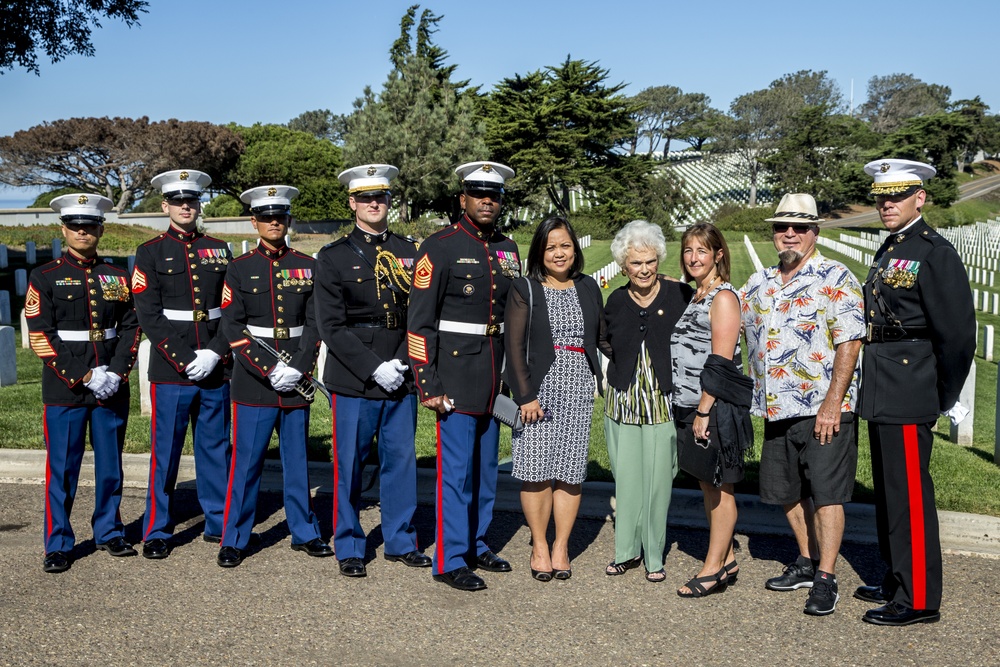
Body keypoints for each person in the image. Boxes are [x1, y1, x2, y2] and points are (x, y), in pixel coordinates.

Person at [855, 159, 976, 626]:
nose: (887, 204)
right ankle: (895, 577)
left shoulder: (934, 251)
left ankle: (919, 596)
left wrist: (940, 394)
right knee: (889, 492)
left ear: (919, 198)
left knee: (909, 496)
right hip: (885, 380)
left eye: (898, 196)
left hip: (911, 384)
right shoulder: (892, 247)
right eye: (881, 197)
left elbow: (958, 335)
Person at [740, 193, 865, 616]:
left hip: (822, 407)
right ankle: (808, 562)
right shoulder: (759, 284)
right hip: (775, 407)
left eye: (799, 227)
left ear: (815, 232)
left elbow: (850, 341)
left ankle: (826, 578)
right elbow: (725, 316)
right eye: (781, 227)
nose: (789, 234)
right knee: (786, 492)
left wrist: (834, 402)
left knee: (827, 494)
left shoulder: (836, 276)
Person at [407, 160, 520, 591]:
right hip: (454, 375)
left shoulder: (508, 248)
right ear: (463, 199)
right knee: (455, 473)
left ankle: (475, 541)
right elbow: (419, 324)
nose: (487, 201)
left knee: (486, 469)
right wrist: (428, 384)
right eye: (479, 194)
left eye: (494, 195)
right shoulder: (440, 246)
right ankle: (450, 558)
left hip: (494, 373)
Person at [314, 164, 429, 578]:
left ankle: (399, 539)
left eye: (380, 196)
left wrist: (399, 361)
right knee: (350, 464)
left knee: (400, 460)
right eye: (365, 197)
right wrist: (373, 367)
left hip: (401, 369)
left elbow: (418, 313)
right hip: (355, 377)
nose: (374, 203)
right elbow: (330, 325)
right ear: (352, 203)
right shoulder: (333, 257)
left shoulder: (411, 250)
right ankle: (348, 542)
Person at [215, 185, 331, 568]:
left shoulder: (308, 265)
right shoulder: (239, 267)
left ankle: (305, 531)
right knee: (245, 464)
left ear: (288, 221)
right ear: (255, 221)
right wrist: (268, 369)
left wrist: (298, 366)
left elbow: (315, 323)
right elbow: (232, 327)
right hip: (254, 381)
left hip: (295, 377)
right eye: (266, 217)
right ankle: (234, 537)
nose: (273, 223)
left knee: (297, 462)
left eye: (279, 217)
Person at [26, 194, 142, 573]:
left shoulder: (117, 276)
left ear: (100, 229)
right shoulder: (43, 276)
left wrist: (116, 372)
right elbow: (42, 334)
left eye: (90, 225)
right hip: (66, 387)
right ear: (63, 229)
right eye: (75, 225)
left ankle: (109, 531)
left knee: (111, 465)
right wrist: (86, 375)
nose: (82, 231)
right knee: (62, 469)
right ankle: (58, 542)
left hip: (110, 383)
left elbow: (130, 326)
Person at [132, 169, 232, 559]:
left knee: (214, 447)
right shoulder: (150, 251)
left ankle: (219, 521)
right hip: (171, 370)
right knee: (165, 450)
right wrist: (185, 358)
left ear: (198, 204)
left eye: (191, 200)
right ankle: (156, 527)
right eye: (177, 201)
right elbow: (149, 313)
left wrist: (215, 352)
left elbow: (231, 307)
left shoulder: (219, 248)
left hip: (214, 363)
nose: (185, 206)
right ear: (165, 206)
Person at [503, 216, 605, 582]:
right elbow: (514, 346)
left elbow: (604, 336)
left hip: (578, 386)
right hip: (539, 389)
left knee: (570, 473)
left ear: (574, 248)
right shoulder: (525, 288)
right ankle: (539, 545)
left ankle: (561, 545)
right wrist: (525, 395)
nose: (559, 253)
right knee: (536, 472)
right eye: (551, 247)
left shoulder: (589, 286)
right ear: (540, 252)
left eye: (565, 245)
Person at [600, 220, 692, 583]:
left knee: (658, 483)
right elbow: (605, 339)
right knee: (626, 480)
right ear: (624, 265)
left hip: (661, 403)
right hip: (622, 403)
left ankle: (654, 555)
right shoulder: (616, 300)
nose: (644, 269)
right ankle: (626, 552)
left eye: (650, 261)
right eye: (636, 263)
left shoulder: (678, 296)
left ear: (659, 261)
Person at [670, 222, 751, 597]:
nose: (694, 257)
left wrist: (704, 411)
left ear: (719, 254)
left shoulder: (722, 297)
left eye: (702, 250)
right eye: (688, 250)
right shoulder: (699, 294)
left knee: (720, 488)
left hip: (712, 407)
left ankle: (714, 568)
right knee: (709, 485)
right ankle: (727, 557)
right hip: (690, 404)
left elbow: (720, 360)